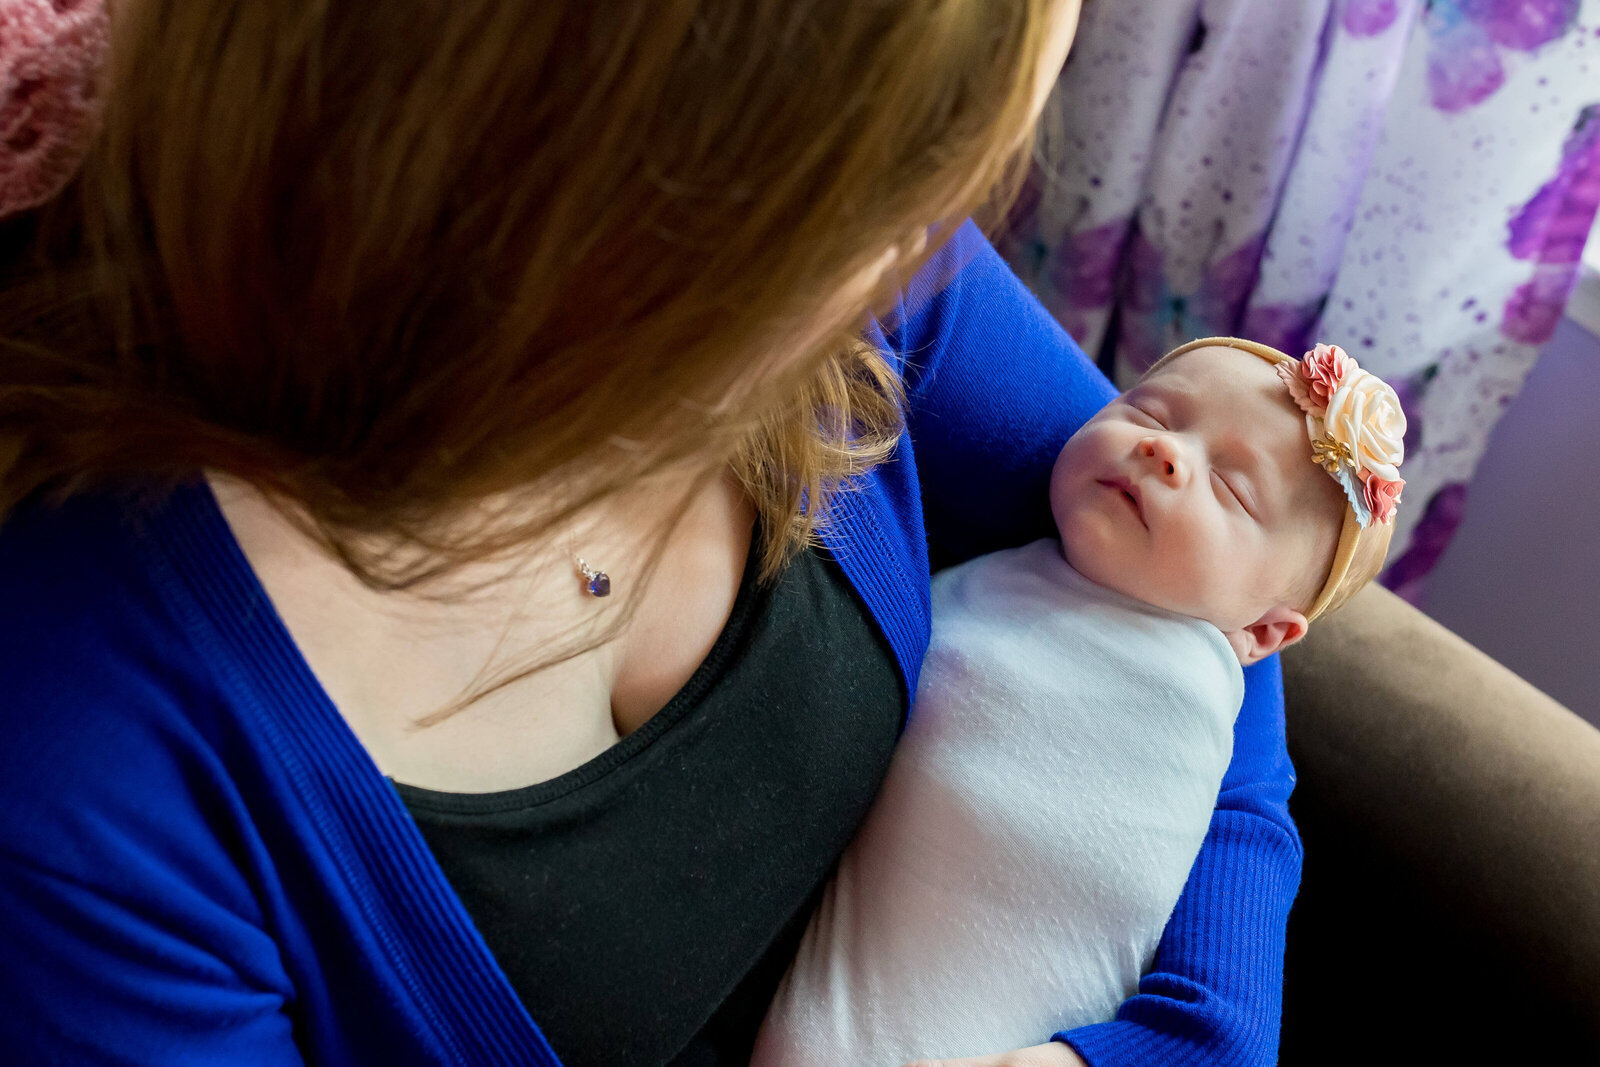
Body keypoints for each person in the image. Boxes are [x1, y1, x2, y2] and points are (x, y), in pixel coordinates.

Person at [0, 2, 1311, 1065]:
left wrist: (1175, 1040)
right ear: (666, 226)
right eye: (912, 199)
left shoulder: (867, 271)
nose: (927, 249)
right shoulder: (91, 779)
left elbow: (1212, 606)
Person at [752, 337, 1406, 1065]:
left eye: (1231, 488)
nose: (1166, 452)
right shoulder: (983, 572)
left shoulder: (1203, 696)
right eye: (1151, 412)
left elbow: (1223, 1034)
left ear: (1261, 633)